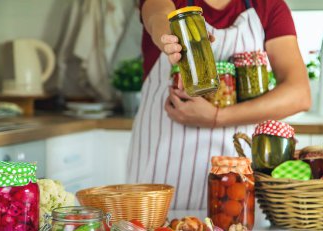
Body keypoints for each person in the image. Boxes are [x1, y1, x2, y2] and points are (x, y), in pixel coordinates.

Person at [127, 0, 311, 210]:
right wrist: (172, 38)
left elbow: (299, 94)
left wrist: (217, 117)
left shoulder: (268, 6)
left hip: (234, 177)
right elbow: (157, 15)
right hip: (159, 170)